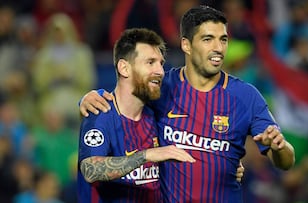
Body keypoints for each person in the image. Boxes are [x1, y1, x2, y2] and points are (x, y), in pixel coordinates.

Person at [80, 5, 294, 202]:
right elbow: (126, 93)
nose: (218, 48)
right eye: (208, 39)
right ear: (186, 44)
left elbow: (286, 162)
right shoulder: (162, 88)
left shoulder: (247, 97)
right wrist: (92, 97)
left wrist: (280, 148)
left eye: (223, 39)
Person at [77, 28, 196, 203]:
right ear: (124, 68)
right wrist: (146, 155)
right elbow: (90, 169)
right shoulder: (100, 114)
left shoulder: (157, 112)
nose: (160, 71)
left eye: (161, 63)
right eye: (150, 62)